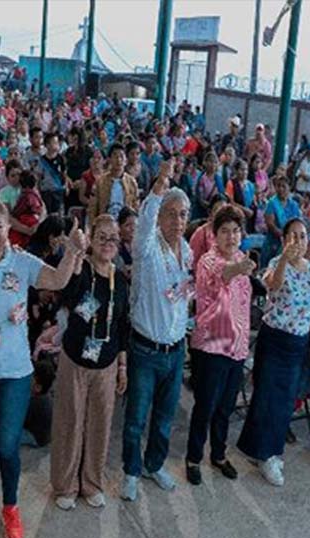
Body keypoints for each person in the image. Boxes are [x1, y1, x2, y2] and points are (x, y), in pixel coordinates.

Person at [0, 199, 86, 538]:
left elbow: (57, 279)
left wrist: (72, 250)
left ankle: (10, 507)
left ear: (8, 228)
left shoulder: (21, 263)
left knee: (8, 444)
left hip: (15, 372)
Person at [121, 160, 192, 502]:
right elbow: (145, 222)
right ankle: (131, 471)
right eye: (171, 214)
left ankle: (154, 464)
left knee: (164, 417)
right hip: (145, 350)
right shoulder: (147, 248)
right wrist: (160, 184)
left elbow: (183, 297)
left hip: (175, 349)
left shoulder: (187, 251)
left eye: (183, 215)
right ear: (160, 217)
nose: (178, 221)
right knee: (136, 417)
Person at [50, 214, 129, 511]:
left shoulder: (120, 280)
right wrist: (73, 251)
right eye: (101, 237)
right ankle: (65, 486)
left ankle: (92, 484)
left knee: (100, 425)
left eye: (113, 238)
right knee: (69, 423)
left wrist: (122, 366)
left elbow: (122, 325)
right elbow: (66, 294)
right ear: (92, 240)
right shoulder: (81, 270)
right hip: (75, 360)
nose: (108, 243)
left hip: (106, 364)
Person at [237, 218, 310, 486]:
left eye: (303, 235)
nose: (299, 241)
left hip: (298, 343)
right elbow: (273, 284)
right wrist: (284, 258)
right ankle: (266, 455)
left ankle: (264, 450)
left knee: (284, 402)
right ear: (284, 240)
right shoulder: (275, 263)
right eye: (293, 236)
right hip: (276, 340)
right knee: (268, 398)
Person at [185, 205, 256, 486]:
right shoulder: (208, 261)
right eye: (225, 231)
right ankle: (193, 458)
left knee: (225, 407)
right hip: (211, 346)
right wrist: (239, 269)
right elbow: (222, 276)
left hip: (236, 347)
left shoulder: (241, 258)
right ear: (215, 235)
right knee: (205, 406)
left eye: (236, 231)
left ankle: (218, 454)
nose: (231, 236)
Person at [88, 143, 138, 227]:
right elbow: (92, 207)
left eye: (121, 156)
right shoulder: (100, 182)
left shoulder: (131, 182)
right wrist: (93, 225)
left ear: (126, 160)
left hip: (125, 224)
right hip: (105, 223)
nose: (119, 160)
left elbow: (135, 206)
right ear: (109, 159)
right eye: (115, 156)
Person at [263, 175, 301, 266]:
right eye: (278, 186)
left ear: (289, 188)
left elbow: (298, 223)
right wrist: (285, 237)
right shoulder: (272, 203)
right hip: (274, 243)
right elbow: (270, 224)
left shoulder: (293, 204)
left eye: (283, 186)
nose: (280, 189)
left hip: (290, 240)